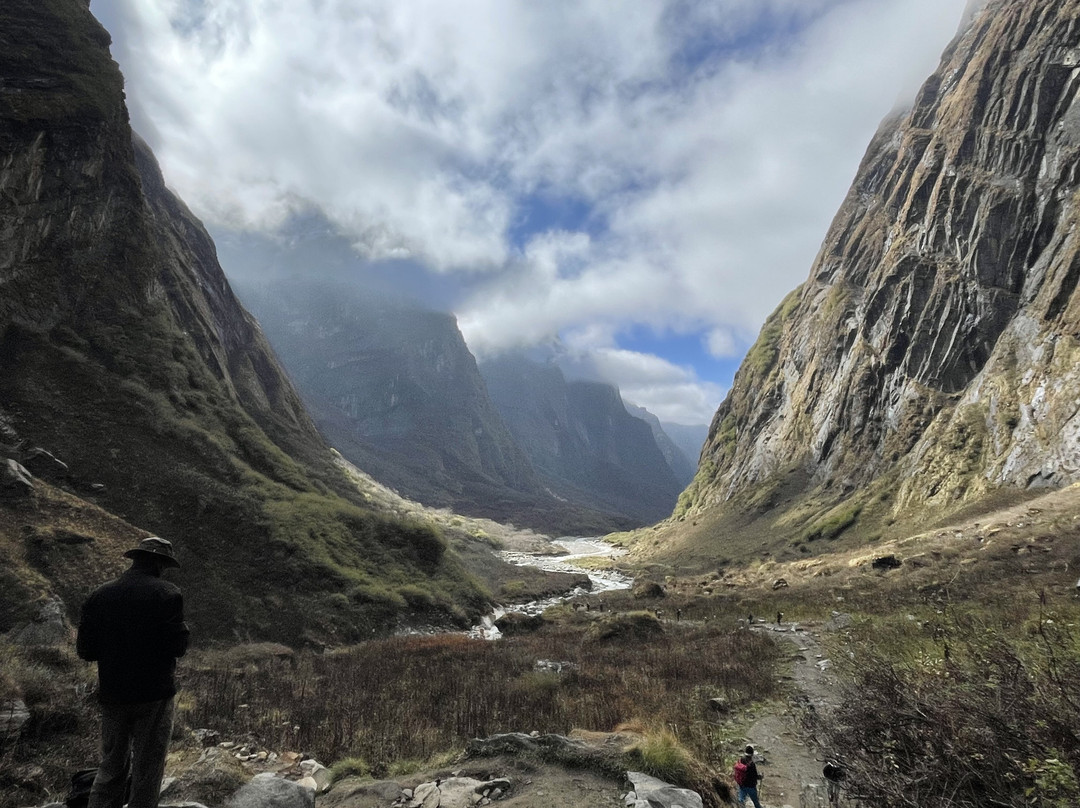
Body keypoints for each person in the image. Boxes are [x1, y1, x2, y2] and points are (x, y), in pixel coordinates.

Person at [77, 537, 190, 808]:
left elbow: (86, 651)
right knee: (148, 766)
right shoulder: (168, 595)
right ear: (161, 565)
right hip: (154, 694)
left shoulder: (99, 594)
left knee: (111, 764)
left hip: (113, 693)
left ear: (135, 559)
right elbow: (178, 647)